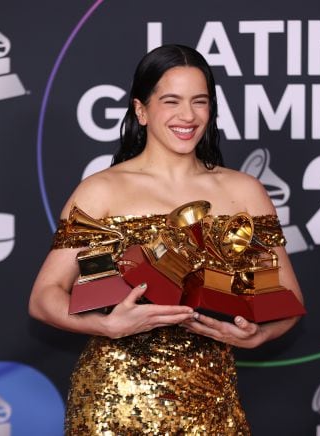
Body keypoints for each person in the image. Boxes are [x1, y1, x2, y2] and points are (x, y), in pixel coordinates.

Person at [29, 44, 304, 435]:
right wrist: (107, 326)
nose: (187, 116)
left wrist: (258, 335)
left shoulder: (244, 192)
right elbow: (45, 296)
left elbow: (286, 299)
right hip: (115, 401)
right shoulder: (101, 191)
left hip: (212, 401)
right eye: (171, 101)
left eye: (200, 101)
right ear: (141, 110)